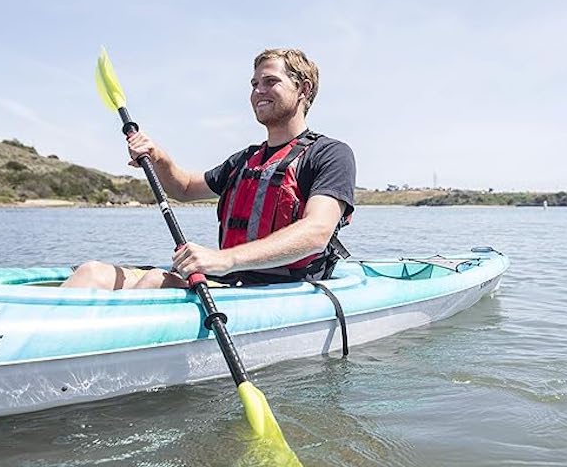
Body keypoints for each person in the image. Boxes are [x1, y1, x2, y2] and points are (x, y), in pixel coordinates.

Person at [62, 48, 355, 290]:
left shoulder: (330, 154)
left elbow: (317, 231)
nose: (258, 91)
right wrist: (157, 155)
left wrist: (224, 259)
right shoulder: (245, 160)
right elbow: (184, 188)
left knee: (153, 280)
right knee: (91, 273)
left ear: (303, 89)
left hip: (279, 288)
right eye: (254, 84)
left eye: (270, 82)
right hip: (228, 280)